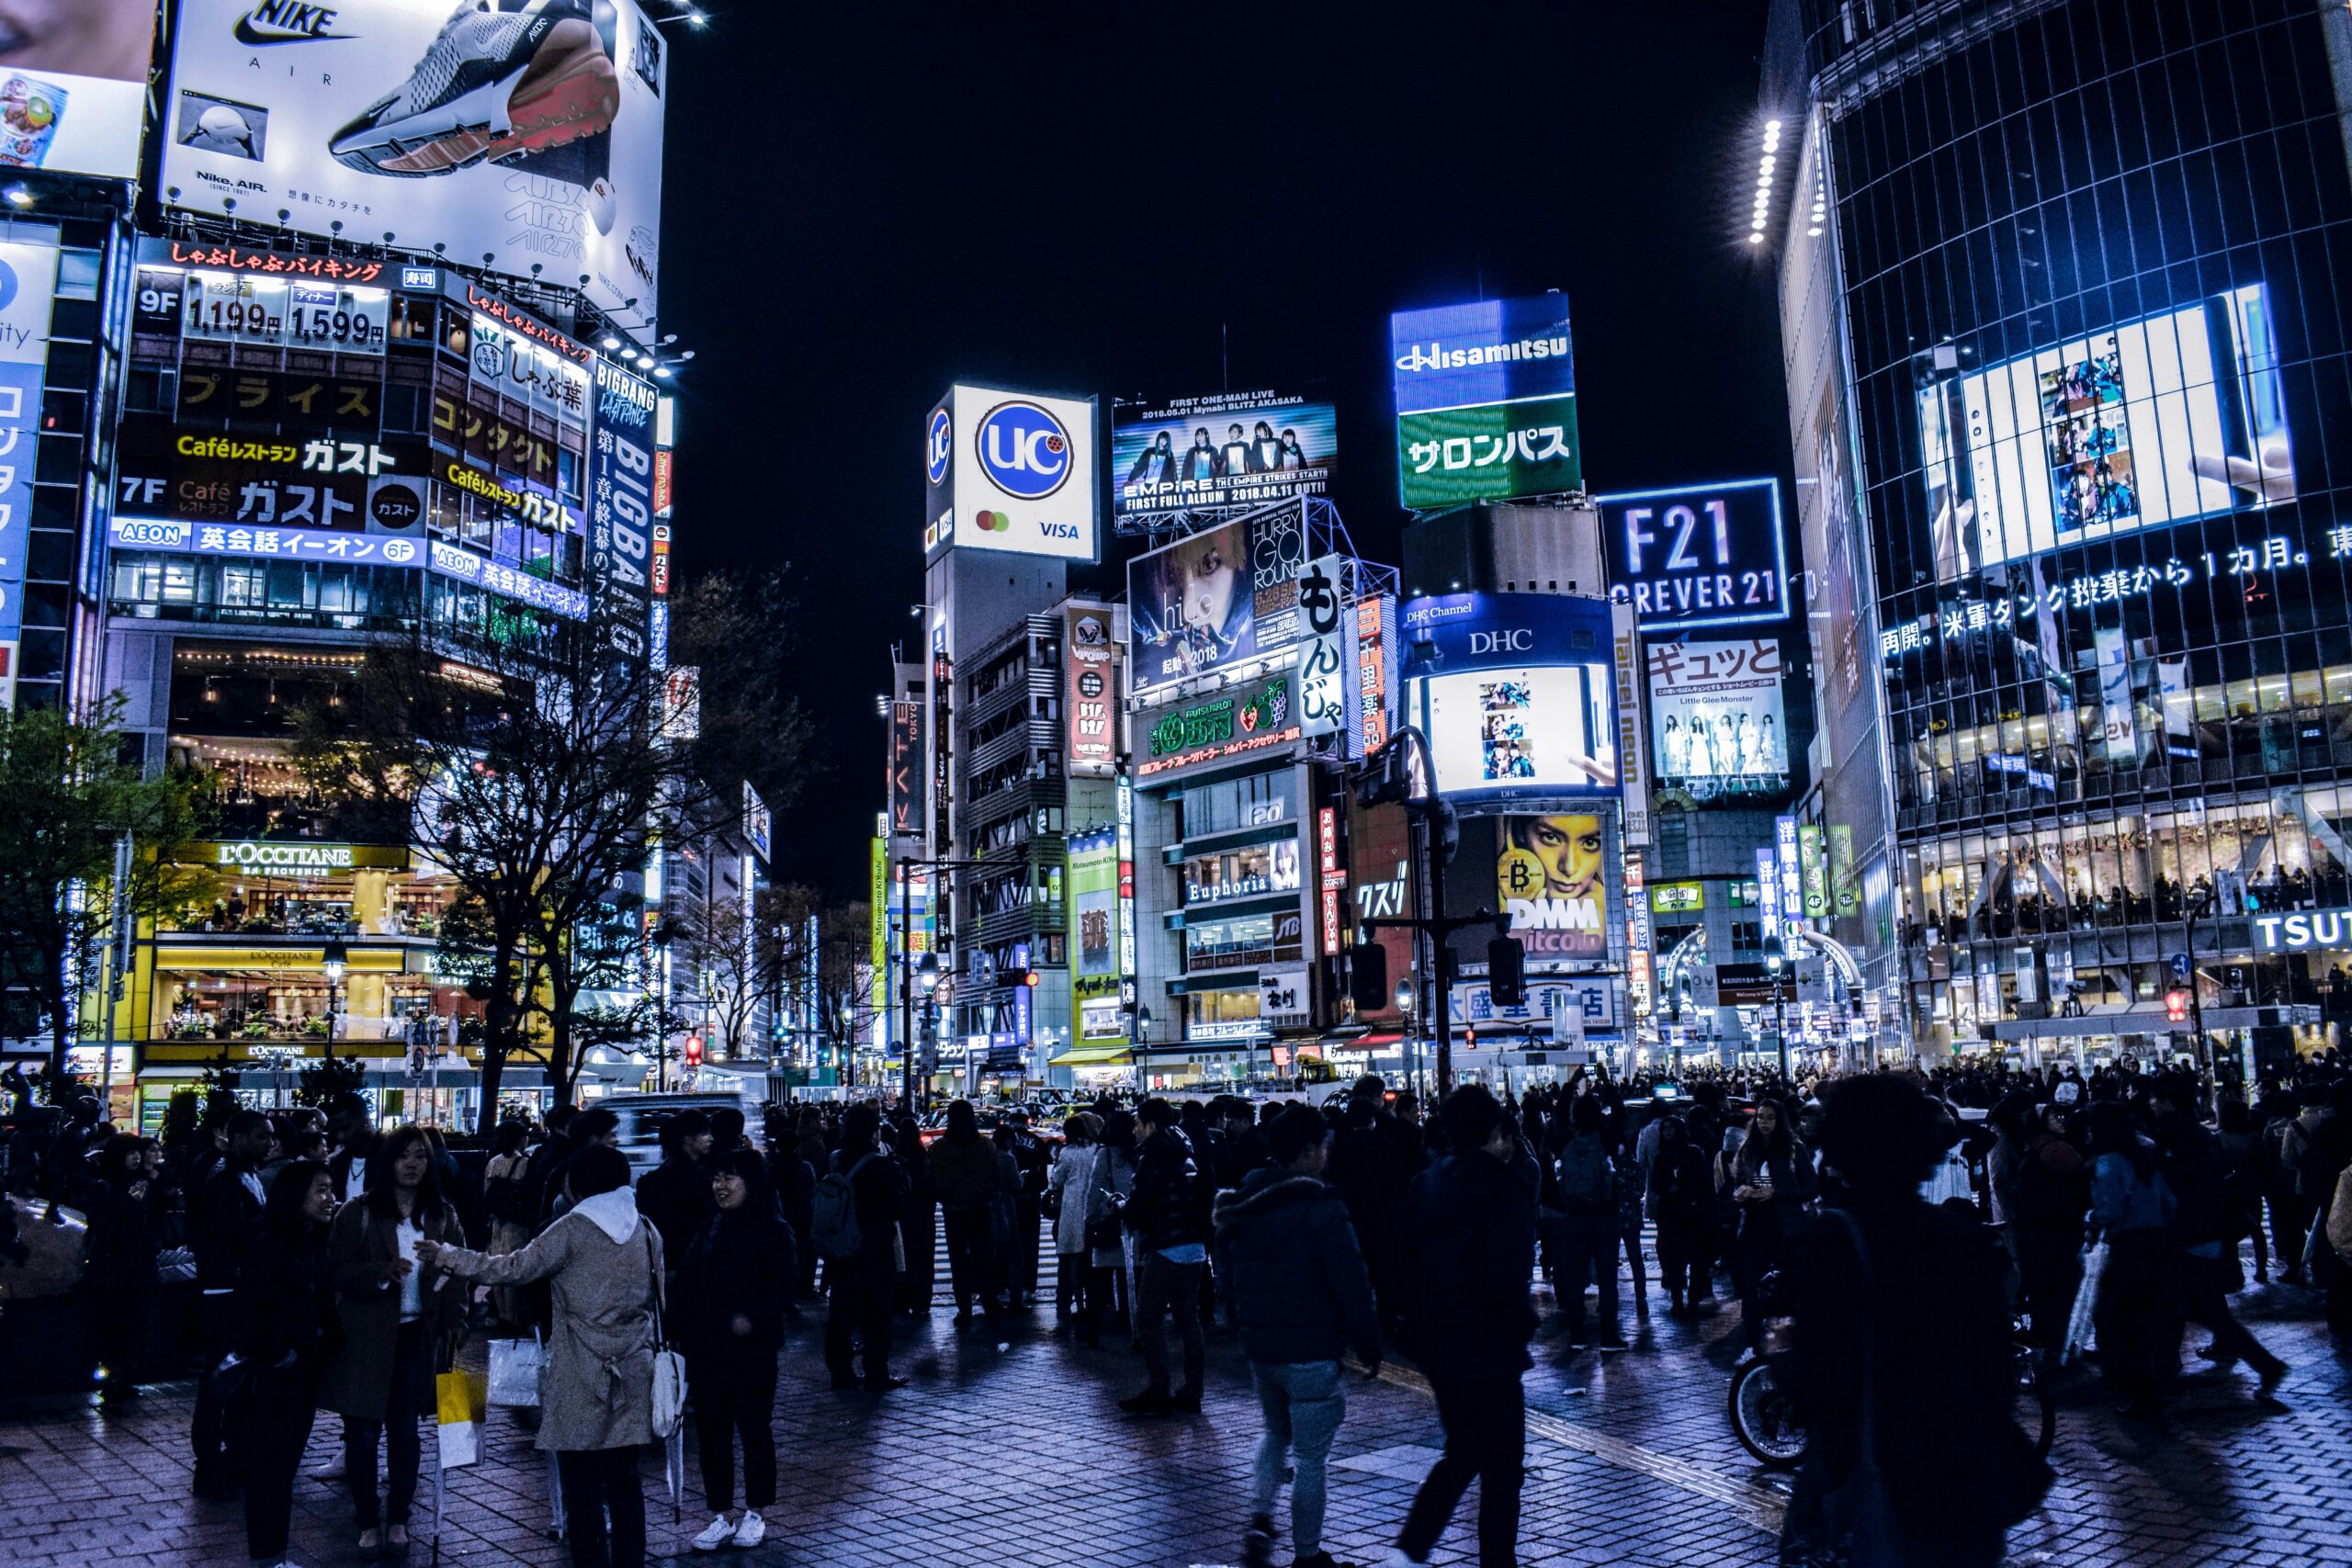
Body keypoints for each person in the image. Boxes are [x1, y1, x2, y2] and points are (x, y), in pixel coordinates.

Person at [1780, 1077, 2050, 1568]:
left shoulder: (1836, 1239)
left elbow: (1822, 1377)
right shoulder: (1960, 1236)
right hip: (1964, 1477)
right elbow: (1994, 1366)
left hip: (1884, 1477)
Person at [416, 1144, 660, 1568]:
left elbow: (512, 1268)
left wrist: (449, 1256)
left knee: (582, 1485)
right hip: (634, 1366)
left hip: (582, 1370)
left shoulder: (573, 1228)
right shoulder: (646, 1228)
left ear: (577, 1184)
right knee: (625, 1480)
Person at [1216, 1104, 1380, 1568]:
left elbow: (1226, 1272)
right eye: (1323, 1146)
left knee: (1274, 1433)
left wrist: (1239, 1319)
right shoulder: (1320, 1206)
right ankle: (1308, 1555)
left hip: (1262, 1346)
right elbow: (1350, 1279)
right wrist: (1368, 1342)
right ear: (1308, 1150)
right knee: (1310, 1457)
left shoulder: (1244, 1200)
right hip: (1311, 1347)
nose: (1326, 1154)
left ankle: (1259, 1518)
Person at [1385, 1086, 1536, 1568]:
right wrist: (1520, 1328)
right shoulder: (1505, 1188)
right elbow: (1510, 1274)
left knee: (1464, 1450)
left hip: (1438, 1341)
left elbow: (1401, 1264)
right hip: (1491, 1344)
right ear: (1494, 1133)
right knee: (1503, 1464)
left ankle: (1410, 1550)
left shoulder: (1425, 1183)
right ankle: (1493, 1560)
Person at [323, 1125, 468, 1556]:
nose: (412, 1164)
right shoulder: (358, 1212)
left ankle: (400, 1518)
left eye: (420, 1156)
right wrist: (380, 1273)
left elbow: (458, 1271)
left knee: (406, 1433)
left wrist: (456, 1319)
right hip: (364, 1338)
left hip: (416, 1338)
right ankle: (368, 1520)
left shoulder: (441, 1215)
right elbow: (336, 1271)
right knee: (363, 1434)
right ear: (388, 1161)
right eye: (403, 1156)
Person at [677, 1148, 796, 1553]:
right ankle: (721, 1515)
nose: (720, 1186)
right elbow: (688, 1280)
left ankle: (756, 1512)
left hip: (753, 1352)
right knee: (713, 1433)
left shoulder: (772, 1228)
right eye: (716, 1178)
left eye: (729, 1178)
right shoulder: (711, 1224)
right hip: (708, 1349)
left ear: (752, 1182)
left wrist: (752, 1317)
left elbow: (785, 1287)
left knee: (754, 1429)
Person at [2151, 1080, 2288, 1398]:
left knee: (2188, 1308)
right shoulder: (2195, 1133)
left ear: (2170, 1101)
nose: (2152, 1103)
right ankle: (2162, 1380)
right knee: (2196, 1309)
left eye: (2157, 1098)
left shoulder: (2180, 1136)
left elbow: (2183, 1188)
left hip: (2191, 1233)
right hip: (2202, 1232)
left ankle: (2160, 1384)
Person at [236, 1159, 337, 1568]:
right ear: (295, 1196)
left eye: (331, 1189)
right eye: (321, 1190)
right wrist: (281, 1355)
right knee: (270, 1470)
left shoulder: (310, 1244)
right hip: (277, 1376)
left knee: (282, 1469)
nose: (330, 1199)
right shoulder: (270, 1247)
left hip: (301, 1373)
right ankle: (267, 1557)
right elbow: (250, 1315)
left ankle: (273, 1555)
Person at [191, 1109, 275, 1498]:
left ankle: (227, 1460)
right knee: (221, 1380)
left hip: (233, 1289)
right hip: (227, 1292)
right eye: (262, 1136)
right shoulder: (227, 1179)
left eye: (270, 1136)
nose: (270, 1143)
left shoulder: (241, 1175)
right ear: (238, 1137)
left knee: (233, 1378)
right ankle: (210, 1467)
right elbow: (227, 1238)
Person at [2086, 1101, 2179, 1417]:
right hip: (2157, 1244)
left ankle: (2137, 1390)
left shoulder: (2108, 1163)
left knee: (2119, 1321)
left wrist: (2090, 1216)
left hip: (2128, 1247)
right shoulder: (2142, 1158)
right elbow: (2170, 1202)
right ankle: (2154, 1386)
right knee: (2147, 1318)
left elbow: (2111, 1210)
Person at [1120, 1098, 1207, 1416]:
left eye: (1138, 1124)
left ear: (1151, 1126)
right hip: (1194, 1244)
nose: (1134, 1130)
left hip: (1165, 1245)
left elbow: (1137, 1206)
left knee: (1148, 1317)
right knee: (1188, 1320)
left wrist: (1119, 1205)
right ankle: (1192, 1390)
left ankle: (1159, 1389)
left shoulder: (1152, 1157)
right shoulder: (1187, 1150)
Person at [823, 1103, 909, 1392]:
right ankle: (876, 1372)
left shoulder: (836, 1159)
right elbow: (897, 1206)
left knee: (841, 1312)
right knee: (877, 1314)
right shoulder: (879, 1164)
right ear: (873, 1131)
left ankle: (840, 1371)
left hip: (841, 1245)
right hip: (874, 1248)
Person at [1730, 1097, 1816, 1347]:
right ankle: (1754, 1341)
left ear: (1780, 1120)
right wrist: (1742, 1192)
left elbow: (1811, 1187)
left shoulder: (1793, 1148)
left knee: (1788, 1285)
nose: (1764, 1123)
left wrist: (1776, 1193)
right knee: (1752, 1286)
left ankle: (1790, 1340)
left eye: (1770, 1118)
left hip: (1786, 1228)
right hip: (1755, 1226)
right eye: (1760, 1117)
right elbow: (1740, 1182)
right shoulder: (1748, 1149)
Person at [82, 1136, 162, 1403]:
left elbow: (149, 1222)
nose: (136, 1158)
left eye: (138, 1152)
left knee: (137, 1325)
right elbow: (104, 1225)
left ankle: (125, 1377)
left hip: (138, 1267)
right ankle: (113, 1378)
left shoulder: (141, 1185)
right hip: (113, 1271)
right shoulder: (103, 1188)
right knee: (115, 1325)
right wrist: (129, 1204)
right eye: (130, 1153)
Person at [1554, 1096, 1624, 1349]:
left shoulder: (1566, 1138)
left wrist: (1570, 1086)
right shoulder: (1606, 1138)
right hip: (1604, 1214)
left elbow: (1558, 1117)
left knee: (1575, 1277)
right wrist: (1608, 1086)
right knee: (1607, 1278)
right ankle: (1609, 1335)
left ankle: (1577, 1335)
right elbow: (1620, 1115)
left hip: (1575, 1214)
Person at [927, 1100, 1001, 1324]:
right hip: (981, 1208)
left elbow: (932, 1181)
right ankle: (989, 1302)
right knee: (984, 1258)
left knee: (957, 1259)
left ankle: (964, 1308)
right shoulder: (985, 1146)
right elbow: (996, 1178)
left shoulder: (939, 1148)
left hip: (953, 1210)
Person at [635, 1110, 717, 1292]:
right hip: (694, 1265)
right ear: (688, 1140)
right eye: (704, 1133)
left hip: (665, 1265)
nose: (710, 1138)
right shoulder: (700, 1178)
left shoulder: (650, 1181)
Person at [1647, 1115, 1713, 1315]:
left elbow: (1703, 1181)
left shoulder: (1694, 1153)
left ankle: (1693, 1298)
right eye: (1664, 1128)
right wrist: (1668, 1187)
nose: (1668, 1132)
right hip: (1670, 1213)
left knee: (1696, 1257)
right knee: (1674, 1258)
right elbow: (1655, 1184)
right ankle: (1677, 1299)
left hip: (1691, 1212)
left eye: (1671, 1127)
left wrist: (1689, 1193)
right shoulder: (1661, 1157)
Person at [1048, 1113, 1103, 1331]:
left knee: (1071, 1259)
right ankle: (1092, 1303)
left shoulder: (1068, 1153)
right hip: (1092, 1208)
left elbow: (1057, 1180)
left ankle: (1075, 1304)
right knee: (1089, 1259)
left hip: (1071, 1209)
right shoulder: (1097, 1150)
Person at [481, 1121, 536, 1329]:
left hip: (496, 1222)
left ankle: (502, 1312)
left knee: (497, 1267)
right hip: (515, 1223)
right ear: (521, 1139)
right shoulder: (525, 1163)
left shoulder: (493, 1162)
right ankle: (512, 1316)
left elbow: (486, 1193)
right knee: (513, 1267)